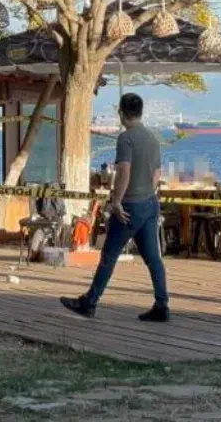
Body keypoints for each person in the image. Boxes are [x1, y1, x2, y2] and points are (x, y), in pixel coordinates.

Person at [60, 92, 169, 322]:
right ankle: (162, 305)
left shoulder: (126, 139)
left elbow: (124, 171)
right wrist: (146, 193)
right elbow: (156, 173)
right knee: (153, 258)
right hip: (150, 203)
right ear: (140, 112)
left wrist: (117, 200)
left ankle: (90, 302)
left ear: (121, 113)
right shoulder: (152, 139)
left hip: (129, 206)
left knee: (109, 255)